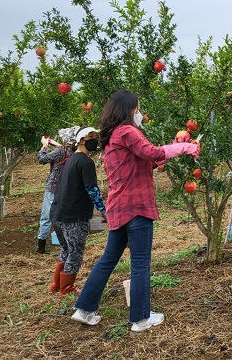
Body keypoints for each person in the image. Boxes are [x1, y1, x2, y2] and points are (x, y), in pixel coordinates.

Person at [71, 90, 200, 332]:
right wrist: (182, 149)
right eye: (138, 108)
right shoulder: (128, 131)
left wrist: (173, 147)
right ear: (129, 110)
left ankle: (85, 309)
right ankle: (140, 319)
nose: (140, 113)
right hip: (137, 206)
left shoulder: (111, 138)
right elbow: (151, 152)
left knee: (108, 259)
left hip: (119, 207)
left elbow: (148, 161)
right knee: (140, 262)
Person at [49, 126, 106, 296]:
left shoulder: (72, 159)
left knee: (66, 250)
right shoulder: (85, 162)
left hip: (58, 213)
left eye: (96, 136)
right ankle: (67, 289)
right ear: (81, 140)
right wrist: (104, 211)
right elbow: (92, 189)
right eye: (91, 136)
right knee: (75, 252)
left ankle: (57, 285)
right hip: (73, 216)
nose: (94, 140)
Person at [35, 127, 77, 254]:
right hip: (68, 189)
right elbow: (64, 151)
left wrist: (44, 146)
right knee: (64, 216)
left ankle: (41, 246)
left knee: (47, 216)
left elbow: (42, 159)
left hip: (53, 187)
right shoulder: (78, 152)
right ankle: (67, 242)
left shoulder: (60, 151)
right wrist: (54, 144)